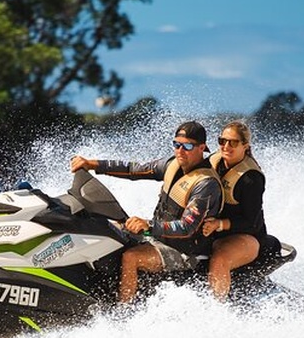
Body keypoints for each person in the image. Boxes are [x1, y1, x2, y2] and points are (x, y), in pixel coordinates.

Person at [70, 121, 223, 303]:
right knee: (105, 228)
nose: (180, 151)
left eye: (188, 146)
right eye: (177, 145)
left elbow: (187, 227)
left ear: (202, 148)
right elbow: (134, 170)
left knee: (131, 257)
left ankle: (123, 311)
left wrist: (148, 226)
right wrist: (92, 164)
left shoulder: (205, 184)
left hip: (186, 253)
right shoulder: (172, 165)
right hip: (158, 238)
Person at [201, 121, 267, 300]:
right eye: (222, 141)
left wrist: (219, 224)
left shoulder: (251, 179)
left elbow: (251, 222)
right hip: (211, 229)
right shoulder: (213, 161)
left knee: (219, 259)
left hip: (246, 235)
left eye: (233, 142)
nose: (226, 146)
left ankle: (217, 306)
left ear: (245, 146)